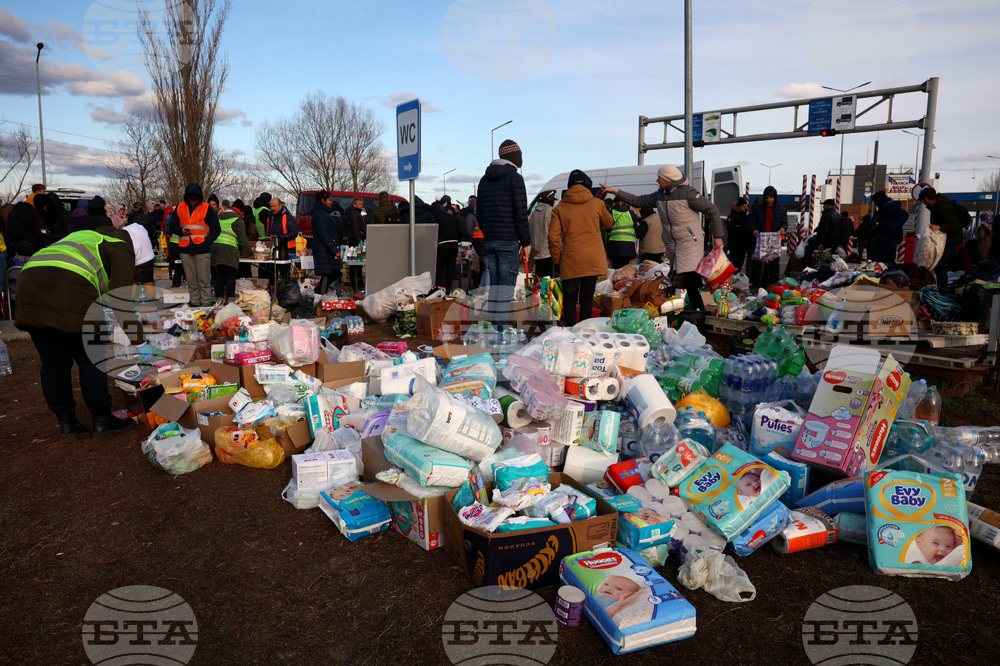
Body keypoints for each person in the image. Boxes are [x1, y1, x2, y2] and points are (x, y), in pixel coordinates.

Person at [14, 227, 137, 441]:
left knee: (53, 363)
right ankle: (102, 420)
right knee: (89, 357)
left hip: (29, 286)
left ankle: (67, 424)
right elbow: (121, 297)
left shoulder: (79, 238)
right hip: (70, 286)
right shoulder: (119, 246)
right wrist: (138, 339)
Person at [600, 165, 723, 290]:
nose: (657, 180)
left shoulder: (687, 193)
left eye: (659, 178)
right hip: (673, 245)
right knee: (678, 281)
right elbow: (638, 200)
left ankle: (689, 302)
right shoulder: (660, 195)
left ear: (668, 179)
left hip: (689, 242)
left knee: (688, 279)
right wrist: (616, 192)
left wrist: (717, 237)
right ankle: (682, 301)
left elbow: (712, 210)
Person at [547, 170, 613, 327]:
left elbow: (553, 237)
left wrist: (558, 260)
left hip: (571, 260)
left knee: (569, 300)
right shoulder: (597, 204)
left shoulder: (559, 209)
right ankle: (584, 331)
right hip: (592, 258)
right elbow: (608, 223)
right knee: (587, 298)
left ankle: (570, 331)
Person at [477, 139, 531, 325]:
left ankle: (494, 327)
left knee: (494, 288)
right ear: (515, 157)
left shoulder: (484, 180)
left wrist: (489, 233)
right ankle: (499, 331)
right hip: (508, 241)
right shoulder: (515, 178)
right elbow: (520, 214)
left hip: (490, 241)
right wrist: (525, 242)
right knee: (505, 289)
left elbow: (479, 213)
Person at [166, 183, 221, 307]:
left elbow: (216, 229)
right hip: (185, 248)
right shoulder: (180, 207)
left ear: (199, 196)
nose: (191, 199)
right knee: (191, 280)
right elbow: (171, 226)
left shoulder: (207, 208)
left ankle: (206, 304)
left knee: (204, 279)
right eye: (189, 197)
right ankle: (195, 304)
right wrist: (181, 231)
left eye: (194, 197)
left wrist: (206, 242)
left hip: (202, 249)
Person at [919, 187, 964, 288]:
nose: (924, 204)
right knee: (939, 264)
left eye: (923, 201)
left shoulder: (943, 208)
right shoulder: (937, 206)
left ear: (926, 199)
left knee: (940, 264)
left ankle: (942, 289)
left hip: (951, 239)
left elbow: (955, 225)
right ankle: (941, 288)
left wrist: (939, 227)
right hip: (946, 239)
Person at [747, 185, 788, 289]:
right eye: (767, 198)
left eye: (771, 198)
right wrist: (754, 230)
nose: (769, 200)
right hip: (760, 240)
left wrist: (783, 228)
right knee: (758, 263)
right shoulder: (757, 209)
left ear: (775, 198)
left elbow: (785, 222)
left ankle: (773, 284)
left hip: (774, 241)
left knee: (774, 263)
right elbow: (751, 222)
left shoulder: (781, 209)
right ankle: (757, 285)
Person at [211, 199, 251, 303]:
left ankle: (219, 300)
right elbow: (243, 241)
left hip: (215, 249)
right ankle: (230, 301)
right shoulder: (238, 220)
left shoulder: (217, 218)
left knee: (219, 276)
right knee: (230, 277)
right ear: (241, 211)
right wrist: (250, 254)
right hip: (229, 250)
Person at [310, 190, 342, 295]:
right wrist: (334, 250)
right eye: (330, 200)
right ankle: (320, 294)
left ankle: (319, 293)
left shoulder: (322, 213)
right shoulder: (321, 214)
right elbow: (324, 234)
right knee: (328, 274)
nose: (332, 202)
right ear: (323, 200)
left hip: (325, 249)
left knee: (334, 273)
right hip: (324, 250)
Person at [123, 213, 156, 301]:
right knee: (148, 279)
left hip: (136, 257)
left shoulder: (125, 230)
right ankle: (151, 300)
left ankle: (131, 299)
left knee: (133, 280)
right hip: (148, 255)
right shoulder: (141, 227)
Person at [869, 190, 908, 264]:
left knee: (886, 260)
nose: (875, 204)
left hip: (888, 238)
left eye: (875, 202)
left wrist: (892, 225)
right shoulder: (883, 208)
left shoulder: (891, 207)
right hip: (881, 238)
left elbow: (904, 215)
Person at [431, 195, 460, 293]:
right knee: (450, 269)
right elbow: (459, 229)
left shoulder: (436, 216)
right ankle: (448, 291)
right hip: (454, 243)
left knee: (440, 269)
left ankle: (439, 291)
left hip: (442, 243)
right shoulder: (451, 215)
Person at [266, 197, 297, 282]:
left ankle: (285, 288)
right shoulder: (270, 217)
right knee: (271, 272)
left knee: (284, 275)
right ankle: (273, 287)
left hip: (286, 251)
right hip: (273, 250)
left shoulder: (289, 217)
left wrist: (279, 237)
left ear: (280, 206)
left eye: (274, 206)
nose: (272, 208)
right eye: (271, 206)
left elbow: (294, 233)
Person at [606, 197, 639, 269]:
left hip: (614, 244)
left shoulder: (612, 212)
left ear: (616, 203)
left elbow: (607, 228)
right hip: (628, 245)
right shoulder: (631, 213)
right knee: (625, 268)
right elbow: (635, 228)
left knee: (615, 268)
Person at [529, 190, 555, 277]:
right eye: (553, 199)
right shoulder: (551, 211)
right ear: (549, 199)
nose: (554, 201)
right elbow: (554, 232)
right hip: (548, 251)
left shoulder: (533, 212)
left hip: (536, 251)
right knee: (548, 279)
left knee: (539, 278)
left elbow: (530, 231)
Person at [343, 196, 366, 294]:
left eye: (362, 204)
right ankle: (357, 285)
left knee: (355, 265)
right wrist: (359, 243)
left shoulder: (354, 213)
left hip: (353, 241)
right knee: (356, 265)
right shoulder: (354, 214)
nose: (361, 206)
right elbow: (356, 229)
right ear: (354, 204)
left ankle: (356, 284)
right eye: (359, 204)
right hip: (356, 242)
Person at [724, 197, 751, 272]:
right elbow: (730, 228)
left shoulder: (746, 216)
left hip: (742, 244)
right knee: (734, 262)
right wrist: (741, 227)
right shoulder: (732, 216)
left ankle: (737, 274)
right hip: (734, 244)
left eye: (746, 206)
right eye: (743, 206)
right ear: (739, 207)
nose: (745, 208)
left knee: (740, 262)